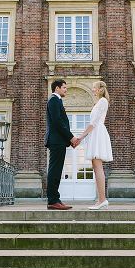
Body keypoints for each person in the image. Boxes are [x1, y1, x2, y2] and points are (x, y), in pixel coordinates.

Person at [77, 81, 113, 210]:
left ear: (100, 89)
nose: (92, 90)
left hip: (97, 132)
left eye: (94, 88)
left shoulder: (102, 101)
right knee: (95, 166)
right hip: (95, 133)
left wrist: (81, 137)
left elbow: (93, 123)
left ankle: (102, 200)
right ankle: (100, 200)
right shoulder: (99, 102)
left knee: (98, 167)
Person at [44, 79, 79, 210]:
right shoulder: (53, 100)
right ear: (57, 88)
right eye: (64, 87)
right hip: (56, 141)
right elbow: (58, 122)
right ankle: (53, 200)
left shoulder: (56, 100)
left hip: (58, 141)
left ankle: (55, 199)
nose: (66, 90)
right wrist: (71, 138)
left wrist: (69, 140)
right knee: (54, 171)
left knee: (57, 171)